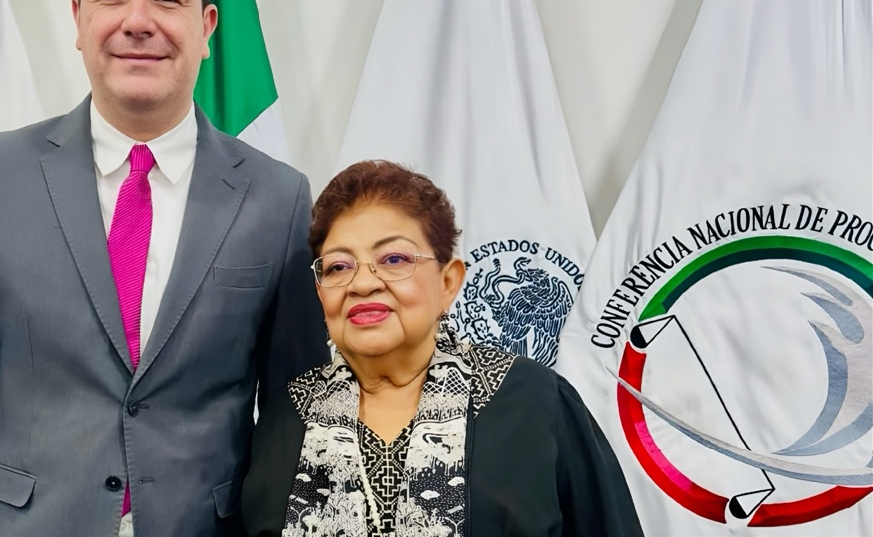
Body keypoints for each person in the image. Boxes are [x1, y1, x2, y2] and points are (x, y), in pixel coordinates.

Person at [0, 0, 328, 537]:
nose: (138, 20)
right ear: (78, 18)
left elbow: (297, 414)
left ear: (207, 26)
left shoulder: (278, 197)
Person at [242, 160, 644, 537]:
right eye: (338, 267)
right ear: (320, 292)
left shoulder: (535, 402)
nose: (362, 284)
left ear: (448, 282)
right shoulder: (286, 417)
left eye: (394, 258)